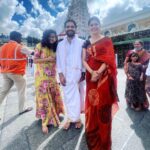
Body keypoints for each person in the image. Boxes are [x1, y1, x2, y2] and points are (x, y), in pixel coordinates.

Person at [82, 16, 118, 150]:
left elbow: (109, 59)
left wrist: (98, 72)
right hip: (91, 77)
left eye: (96, 24)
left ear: (100, 25)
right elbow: (84, 60)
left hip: (104, 77)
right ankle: (93, 129)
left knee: (103, 104)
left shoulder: (107, 40)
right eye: (91, 25)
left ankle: (104, 136)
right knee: (93, 102)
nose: (94, 26)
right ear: (88, 27)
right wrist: (92, 72)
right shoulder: (86, 42)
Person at [34, 29, 64, 134]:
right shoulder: (39, 46)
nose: (52, 39)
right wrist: (48, 59)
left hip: (52, 77)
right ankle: (44, 122)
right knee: (44, 100)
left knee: (53, 96)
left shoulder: (56, 47)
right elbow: (35, 60)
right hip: (41, 78)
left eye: (54, 37)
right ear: (46, 37)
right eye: (50, 37)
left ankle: (54, 114)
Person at [56, 19, 85, 130]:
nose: (70, 28)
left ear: (75, 28)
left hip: (77, 74)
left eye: (72, 26)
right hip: (65, 75)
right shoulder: (60, 44)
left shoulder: (81, 42)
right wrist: (61, 74)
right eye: (68, 26)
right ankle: (69, 118)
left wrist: (83, 72)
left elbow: (84, 59)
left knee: (77, 97)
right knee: (67, 97)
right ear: (65, 28)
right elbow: (58, 59)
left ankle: (77, 119)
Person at [0, 31, 33, 116]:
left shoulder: (2, 47)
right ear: (16, 37)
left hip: (5, 72)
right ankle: (22, 109)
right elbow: (32, 53)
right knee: (22, 90)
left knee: (3, 92)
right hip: (17, 73)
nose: (21, 39)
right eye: (20, 37)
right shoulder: (20, 47)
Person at [124, 40, 149, 109]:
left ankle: (141, 105)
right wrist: (127, 74)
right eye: (135, 44)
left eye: (138, 44)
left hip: (141, 74)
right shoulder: (130, 52)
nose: (136, 45)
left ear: (141, 45)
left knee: (141, 90)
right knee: (131, 90)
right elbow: (126, 62)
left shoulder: (145, 52)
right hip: (131, 74)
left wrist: (143, 67)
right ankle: (132, 103)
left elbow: (148, 63)